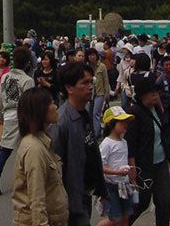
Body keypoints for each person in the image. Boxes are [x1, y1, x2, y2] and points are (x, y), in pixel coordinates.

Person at [51, 62, 106, 226]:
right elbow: (55, 166)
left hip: (85, 192)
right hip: (71, 199)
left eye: (91, 82)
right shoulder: (61, 122)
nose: (90, 87)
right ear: (69, 88)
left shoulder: (84, 113)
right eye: (85, 83)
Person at [12, 87, 68, 226]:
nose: (56, 107)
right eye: (51, 103)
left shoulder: (43, 141)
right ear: (40, 110)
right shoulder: (34, 149)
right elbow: (36, 199)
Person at [126, 72, 170, 226]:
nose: (156, 96)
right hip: (143, 166)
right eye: (152, 93)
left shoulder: (157, 108)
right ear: (142, 95)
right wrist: (132, 168)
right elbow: (130, 143)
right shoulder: (134, 113)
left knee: (164, 201)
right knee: (141, 203)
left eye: (156, 93)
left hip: (160, 162)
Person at [0, 46, 34, 196]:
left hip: (8, 114)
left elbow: (1, 98)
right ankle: (27, 180)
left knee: (6, 150)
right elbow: (29, 103)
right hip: (22, 116)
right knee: (27, 149)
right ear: (27, 63)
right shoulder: (27, 80)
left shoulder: (6, 77)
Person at [97, 106, 135, 226]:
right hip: (111, 186)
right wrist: (117, 172)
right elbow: (100, 166)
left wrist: (132, 178)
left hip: (125, 184)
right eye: (121, 122)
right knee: (115, 218)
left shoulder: (124, 142)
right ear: (111, 124)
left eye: (126, 122)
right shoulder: (106, 144)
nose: (125, 125)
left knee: (126, 216)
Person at [86, 48, 110, 139]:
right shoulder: (87, 67)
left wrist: (107, 94)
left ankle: (96, 133)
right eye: (90, 55)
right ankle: (94, 130)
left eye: (93, 55)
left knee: (95, 113)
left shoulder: (102, 66)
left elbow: (106, 81)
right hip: (89, 93)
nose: (92, 57)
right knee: (89, 113)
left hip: (100, 93)